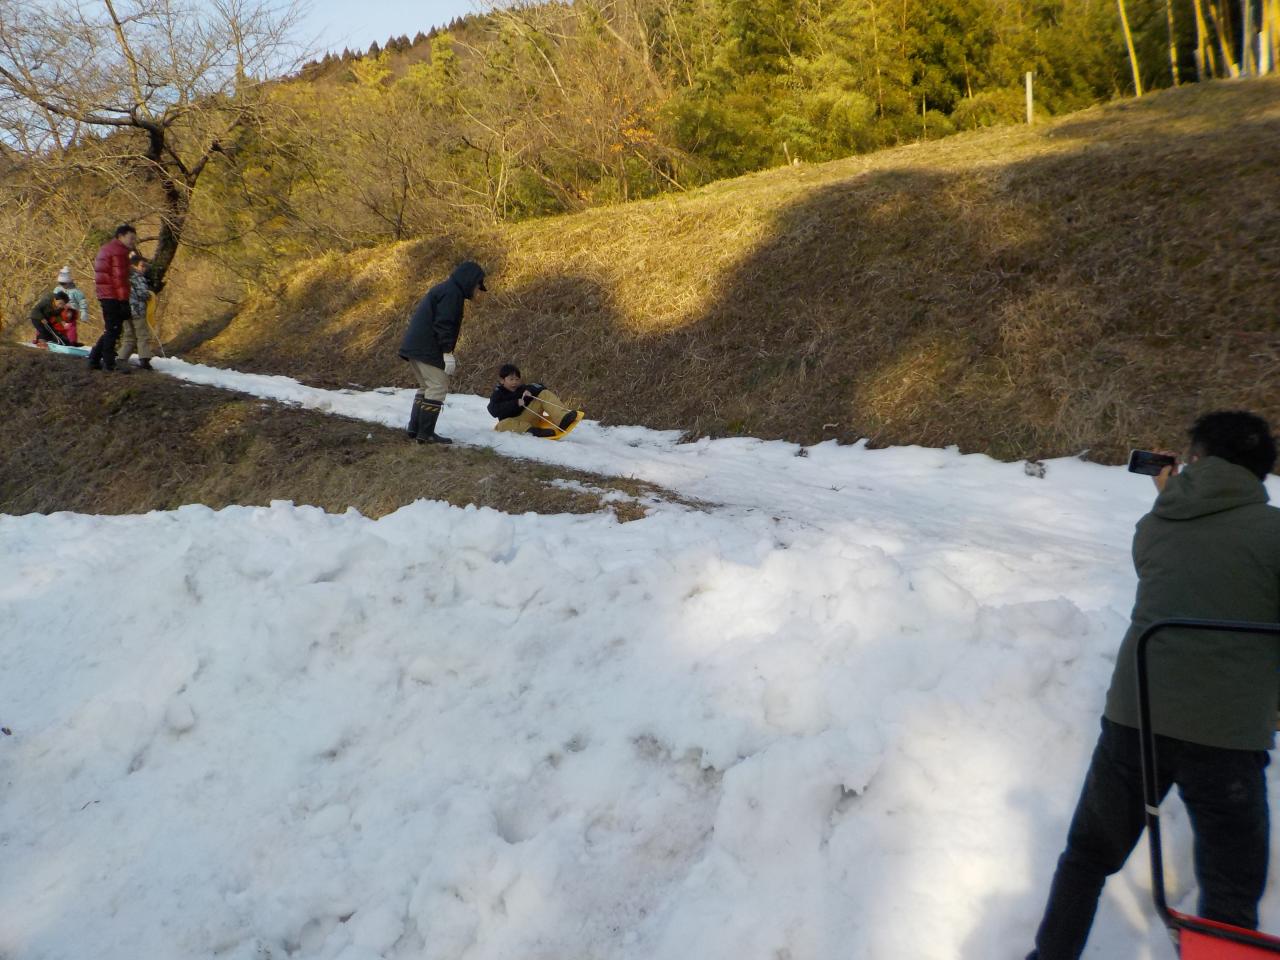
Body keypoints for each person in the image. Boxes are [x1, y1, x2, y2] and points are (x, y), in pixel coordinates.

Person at [1026, 410, 1280, 960]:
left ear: (1196, 460)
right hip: (1228, 736)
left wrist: (1170, 494)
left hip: (1135, 716)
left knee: (1088, 856)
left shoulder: (1156, 524)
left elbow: (1173, 566)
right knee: (1231, 892)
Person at [397, 260, 486, 445]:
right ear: (470, 280)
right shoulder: (452, 294)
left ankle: (416, 430)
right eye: (478, 285)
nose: (478, 291)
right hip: (427, 347)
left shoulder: (445, 289)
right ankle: (426, 434)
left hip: (416, 345)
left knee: (427, 387)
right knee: (437, 386)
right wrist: (447, 352)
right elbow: (444, 324)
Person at [88, 224, 137, 373]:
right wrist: (124, 301)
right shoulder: (119, 252)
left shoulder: (107, 248)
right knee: (114, 330)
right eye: (131, 238)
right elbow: (119, 279)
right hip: (113, 295)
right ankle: (109, 363)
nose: (133, 241)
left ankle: (94, 358)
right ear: (121, 236)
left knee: (112, 328)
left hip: (105, 293)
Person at [487, 363, 582, 437]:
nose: (514, 382)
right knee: (501, 425)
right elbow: (493, 410)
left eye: (517, 379)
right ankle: (535, 432)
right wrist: (515, 403)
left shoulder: (522, 388)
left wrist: (529, 391)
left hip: (529, 417)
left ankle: (562, 419)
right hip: (515, 424)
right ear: (502, 381)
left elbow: (540, 386)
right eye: (511, 379)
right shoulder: (498, 393)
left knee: (543, 393)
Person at [117, 253, 155, 370]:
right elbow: (143, 293)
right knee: (142, 335)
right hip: (138, 311)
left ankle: (121, 358)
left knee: (129, 336)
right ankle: (144, 359)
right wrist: (149, 294)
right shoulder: (138, 277)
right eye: (142, 266)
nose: (144, 269)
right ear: (135, 266)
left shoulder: (122, 276)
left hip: (125, 311)